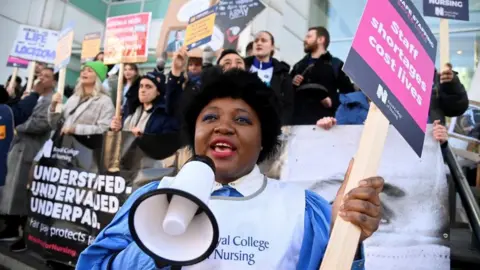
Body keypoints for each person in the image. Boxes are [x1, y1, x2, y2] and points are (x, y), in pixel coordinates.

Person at [77, 69, 383, 269]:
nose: (223, 127)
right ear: (193, 133)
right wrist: (157, 243)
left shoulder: (307, 210)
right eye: (209, 118)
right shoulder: (150, 199)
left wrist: (346, 234)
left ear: (263, 140)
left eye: (242, 120)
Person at [0, 68, 57, 252]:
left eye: (46, 76)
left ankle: (24, 233)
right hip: (16, 147)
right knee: (11, 190)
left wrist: (15, 123)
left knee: (25, 191)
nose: (41, 78)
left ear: (54, 82)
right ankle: (10, 226)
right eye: (39, 75)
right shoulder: (29, 96)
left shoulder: (51, 101)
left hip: (32, 149)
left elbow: (41, 123)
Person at [290, 26, 356, 125]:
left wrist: (332, 100)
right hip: (298, 123)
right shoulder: (298, 66)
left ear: (321, 39)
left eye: (309, 37)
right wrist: (292, 83)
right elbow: (287, 95)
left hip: (326, 124)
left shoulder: (335, 64)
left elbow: (349, 93)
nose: (305, 40)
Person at [48, 61, 114, 135]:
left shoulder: (105, 101)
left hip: (83, 145)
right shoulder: (74, 97)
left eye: (89, 71)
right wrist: (53, 106)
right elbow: (54, 124)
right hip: (62, 144)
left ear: (97, 77)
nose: (84, 72)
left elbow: (104, 129)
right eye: (83, 70)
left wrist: (76, 129)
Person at [244, 31, 294, 125]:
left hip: (271, 127)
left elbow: (288, 106)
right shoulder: (242, 68)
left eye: (264, 40)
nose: (259, 43)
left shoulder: (283, 74)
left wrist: (281, 127)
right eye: (256, 40)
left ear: (272, 47)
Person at [110, 72, 179, 136]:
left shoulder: (164, 115)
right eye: (141, 86)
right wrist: (116, 129)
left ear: (158, 92)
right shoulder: (130, 109)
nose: (143, 90)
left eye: (148, 87)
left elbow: (167, 143)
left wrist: (143, 137)